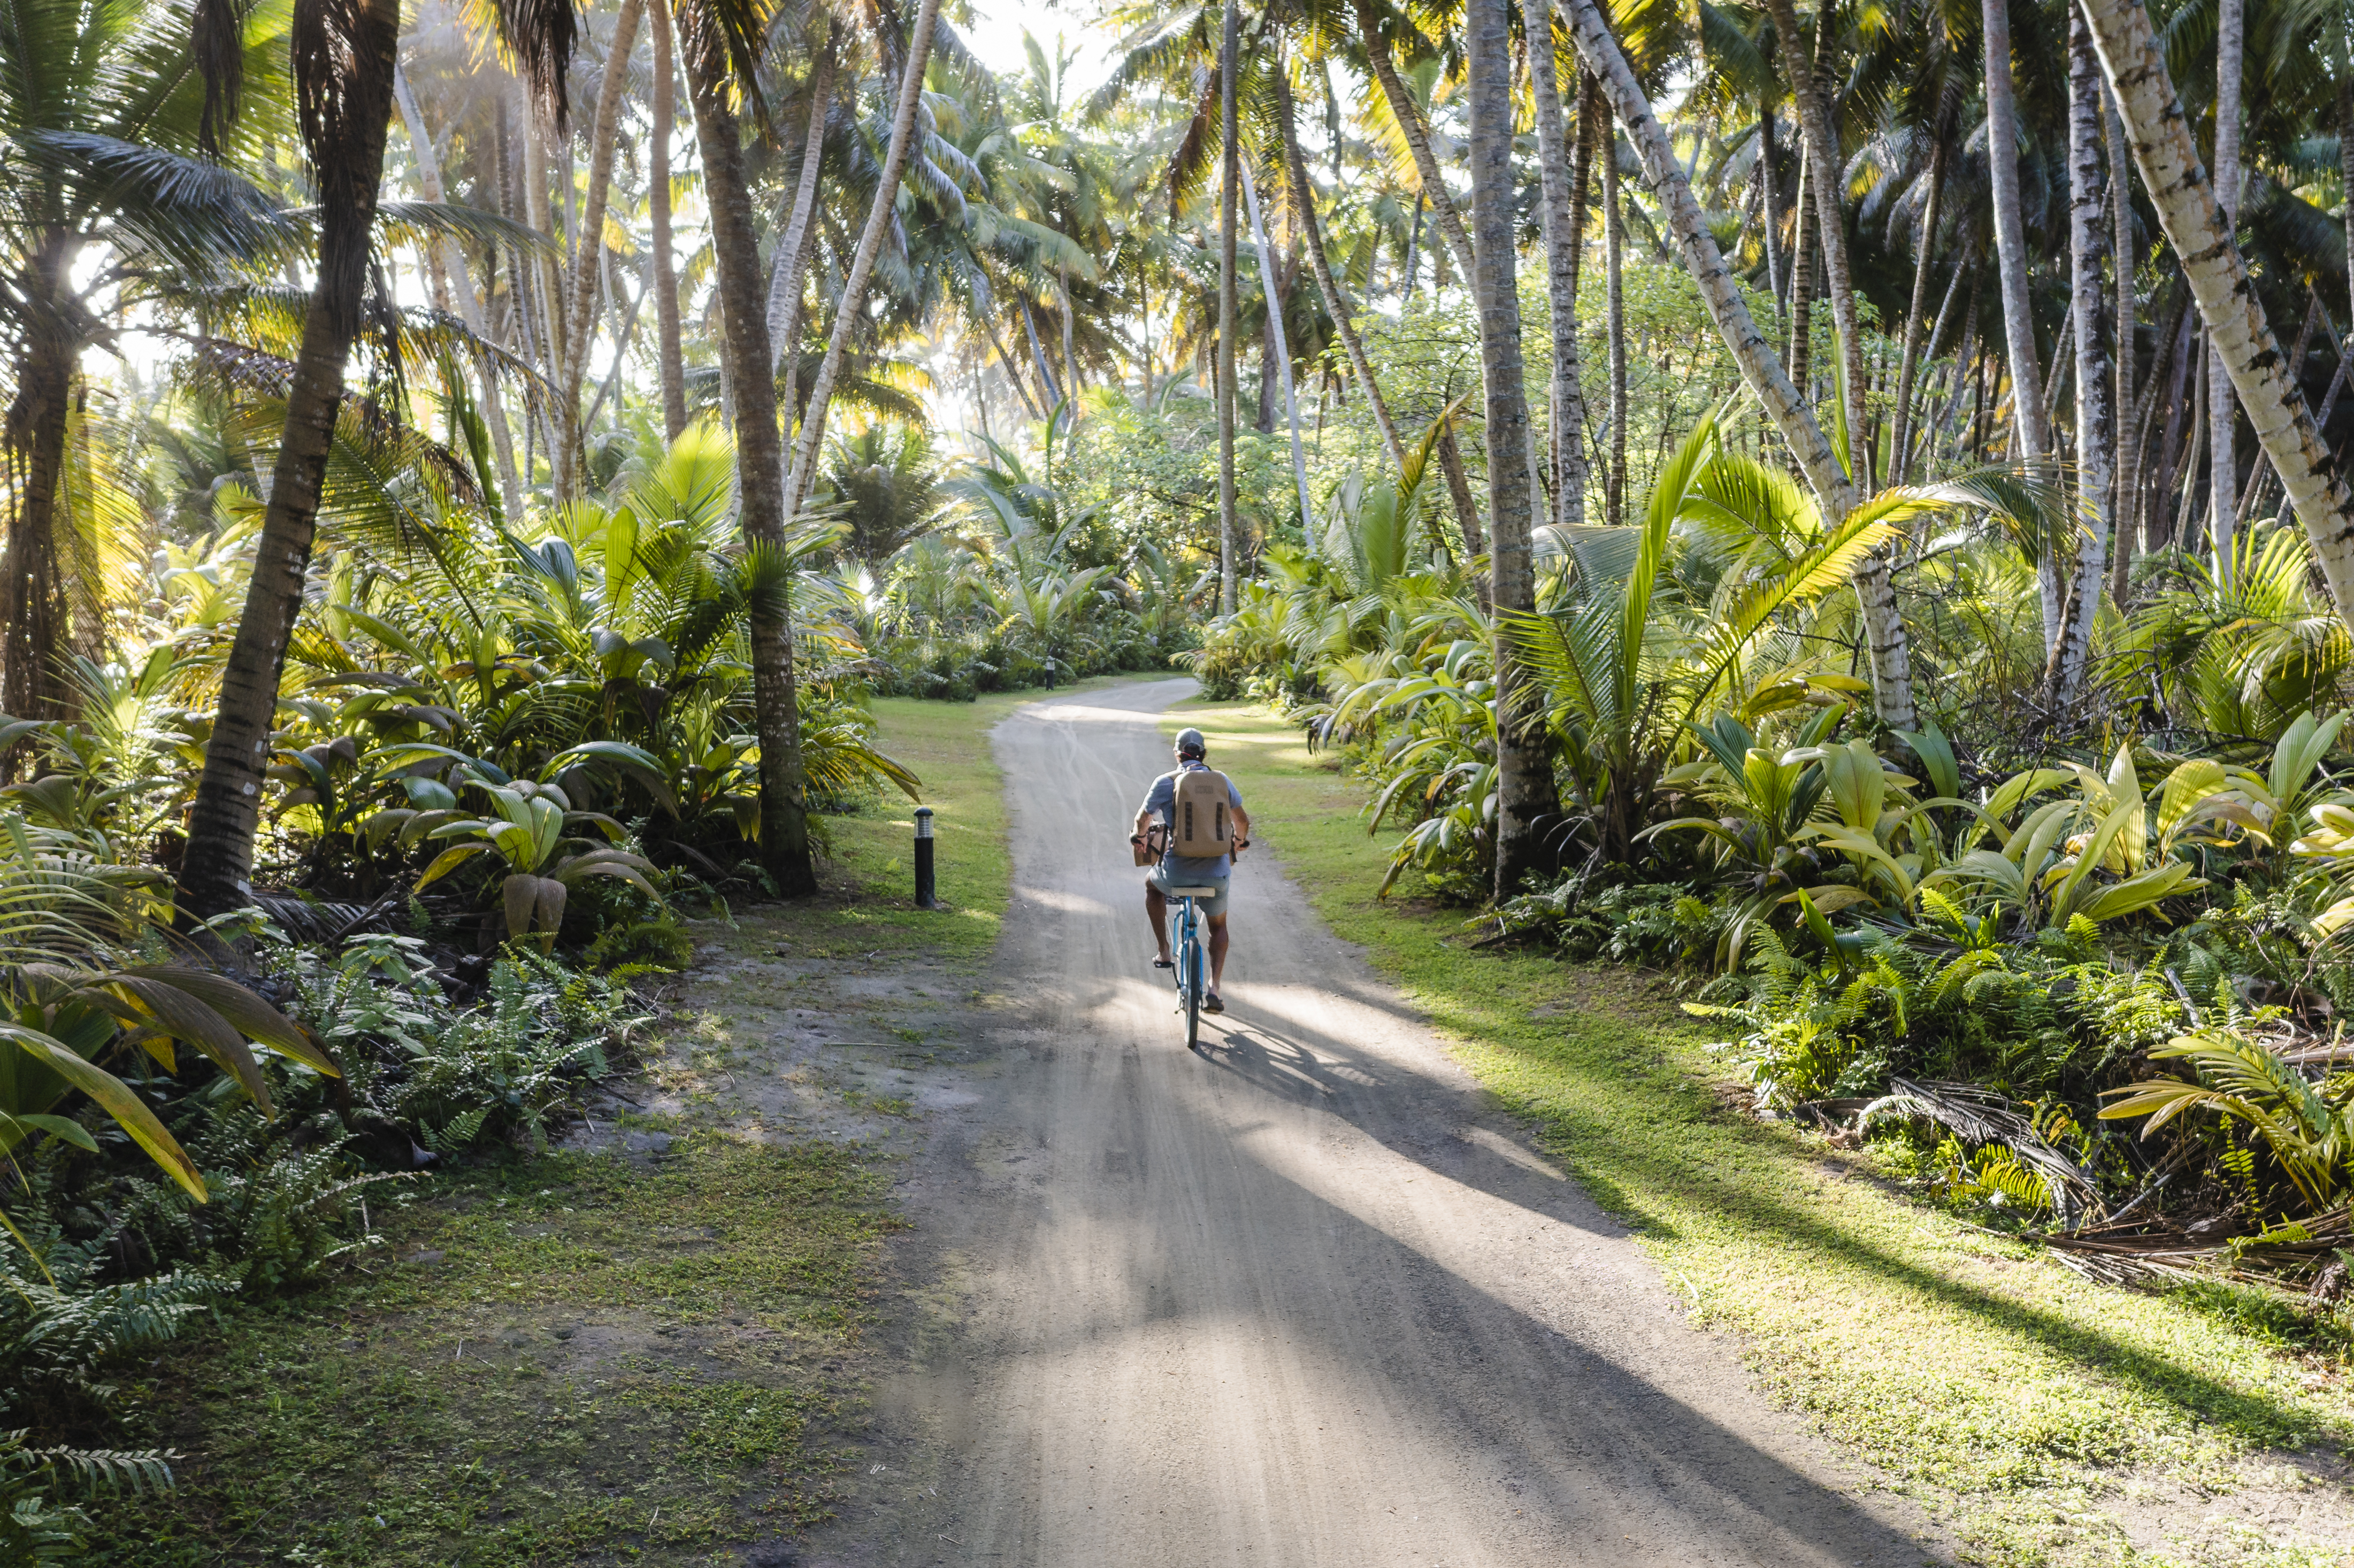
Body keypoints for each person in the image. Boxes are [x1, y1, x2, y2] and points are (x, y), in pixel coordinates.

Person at [1132, 727, 1251, 1013]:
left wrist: (1141, 837)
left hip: (1176, 872)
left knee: (1151, 886)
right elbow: (1242, 821)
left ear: (1177, 754)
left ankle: (1163, 951)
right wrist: (1238, 842)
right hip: (1216, 873)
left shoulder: (1166, 781)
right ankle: (1215, 988)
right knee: (1218, 926)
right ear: (1204, 754)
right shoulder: (1221, 780)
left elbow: (1142, 820)